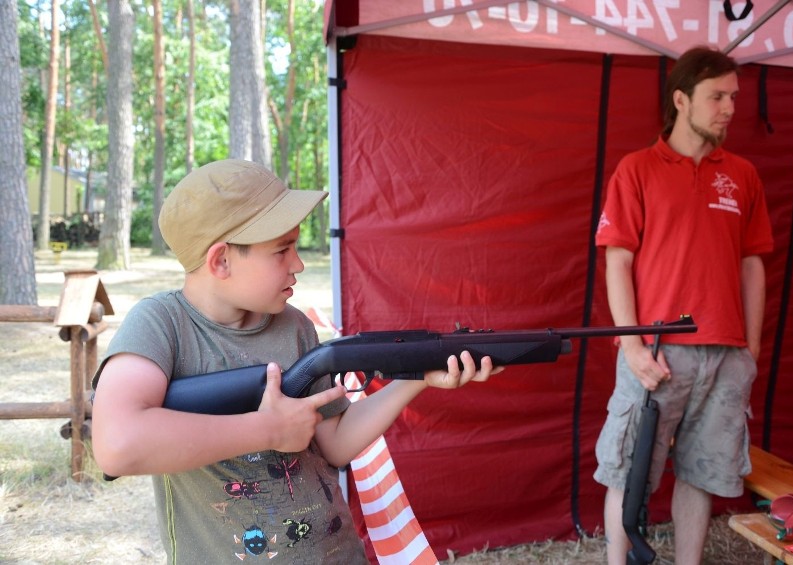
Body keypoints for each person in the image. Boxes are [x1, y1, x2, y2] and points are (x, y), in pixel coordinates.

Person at [91, 159, 501, 564]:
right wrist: (267, 429)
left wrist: (419, 378)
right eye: (282, 250)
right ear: (221, 261)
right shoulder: (161, 323)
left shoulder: (295, 327)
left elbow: (336, 443)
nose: (299, 264)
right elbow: (117, 445)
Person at [593, 46, 774, 565]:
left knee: (702, 475)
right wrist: (631, 346)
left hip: (726, 356)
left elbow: (752, 265)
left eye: (734, 97)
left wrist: (751, 351)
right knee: (626, 472)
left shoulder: (742, 175)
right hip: (655, 355)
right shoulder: (636, 170)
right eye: (716, 96)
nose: (730, 108)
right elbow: (618, 262)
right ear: (681, 99)